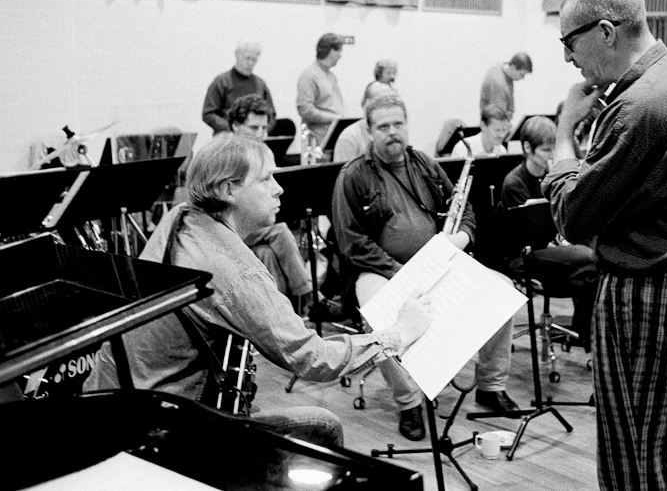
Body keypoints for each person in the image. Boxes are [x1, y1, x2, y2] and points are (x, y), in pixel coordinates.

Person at [84, 134, 432, 448]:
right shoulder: (235, 273)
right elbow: (313, 358)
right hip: (161, 428)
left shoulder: (180, 217)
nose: (279, 189)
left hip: (108, 403)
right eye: (266, 179)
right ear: (228, 190)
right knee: (324, 426)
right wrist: (398, 334)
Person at [541, 0, 667, 490]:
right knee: (666, 445)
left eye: (569, 41)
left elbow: (573, 218)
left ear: (605, 31)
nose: (568, 58)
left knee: (633, 459)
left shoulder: (637, 106)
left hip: (645, 293)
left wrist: (565, 131)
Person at [332, 94, 519, 442]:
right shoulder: (353, 176)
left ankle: (491, 386)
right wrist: (399, 271)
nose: (392, 132)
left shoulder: (424, 164)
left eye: (398, 124)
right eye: (383, 127)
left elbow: (463, 207)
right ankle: (409, 402)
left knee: (503, 291)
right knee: (377, 314)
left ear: (407, 125)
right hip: (380, 269)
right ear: (369, 131)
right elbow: (351, 242)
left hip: (437, 263)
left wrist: (462, 237)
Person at [499, 116, 596, 345]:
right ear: (527, 148)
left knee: (592, 271)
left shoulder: (548, 175)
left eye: (554, 149)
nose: (552, 155)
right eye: (545, 150)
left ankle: (586, 336)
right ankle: (586, 337)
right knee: (587, 257)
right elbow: (527, 234)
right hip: (524, 254)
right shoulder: (514, 183)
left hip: (548, 248)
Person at [226, 95, 322, 313]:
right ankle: (309, 294)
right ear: (235, 126)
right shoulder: (228, 155)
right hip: (229, 228)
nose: (261, 134)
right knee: (279, 230)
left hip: (251, 228)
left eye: (264, 128)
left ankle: (282, 314)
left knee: (267, 253)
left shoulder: (259, 153)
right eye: (253, 128)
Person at [203, 38, 275, 134]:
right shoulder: (221, 82)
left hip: (255, 138)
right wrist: (233, 128)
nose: (250, 63)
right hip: (226, 137)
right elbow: (209, 113)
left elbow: (271, 115)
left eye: (254, 60)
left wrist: (262, 130)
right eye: (247, 58)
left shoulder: (261, 85)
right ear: (237, 55)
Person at [334, 61, 399, 162]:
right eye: (381, 103)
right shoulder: (349, 138)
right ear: (367, 105)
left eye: (392, 103)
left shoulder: (396, 134)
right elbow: (343, 171)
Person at [296, 33, 345, 146]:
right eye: (339, 51)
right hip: (317, 140)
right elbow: (305, 109)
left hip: (332, 135)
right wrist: (334, 118)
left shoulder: (331, 76)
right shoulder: (309, 76)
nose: (340, 56)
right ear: (332, 51)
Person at [479, 52, 532, 120]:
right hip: (495, 122)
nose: (522, 78)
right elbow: (498, 117)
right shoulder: (499, 84)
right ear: (513, 67)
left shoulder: (501, 67)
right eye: (522, 74)